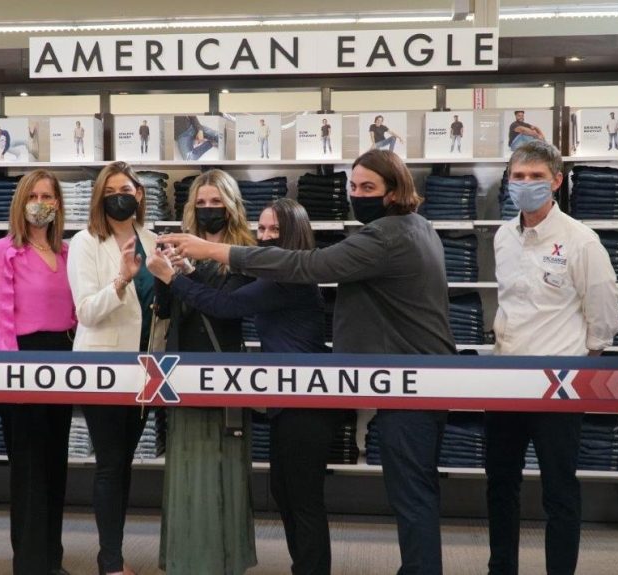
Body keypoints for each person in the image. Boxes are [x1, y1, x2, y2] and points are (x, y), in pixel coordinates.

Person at [160, 150, 455, 575]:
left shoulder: (387, 236)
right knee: (408, 491)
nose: (356, 195)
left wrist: (215, 251)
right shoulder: (414, 228)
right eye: (352, 186)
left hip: (407, 382)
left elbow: (309, 265)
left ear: (396, 191)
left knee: (408, 494)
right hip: (404, 380)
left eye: (367, 187)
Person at [147, 197, 343, 575]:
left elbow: (225, 305)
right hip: (290, 401)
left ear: (294, 233)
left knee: (301, 500)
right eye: (263, 229)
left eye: (275, 230)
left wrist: (172, 278)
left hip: (306, 404)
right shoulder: (276, 276)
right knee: (287, 494)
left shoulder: (287, 277)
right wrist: (188, 270)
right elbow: (226, 292)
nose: (266, 236)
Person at [486, 140, 618, 575]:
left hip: (557, 383)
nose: (525, 185)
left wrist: (584, 361)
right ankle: (500, 567)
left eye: (536, 177)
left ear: (557, 182)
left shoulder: (581, 241)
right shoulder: (503, 236)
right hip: (505, 378)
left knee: (558, 490)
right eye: (518, 177)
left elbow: (602, 313)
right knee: (500, 485)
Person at [154, 169, 257, 575]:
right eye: (202, 202)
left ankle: (226, 558)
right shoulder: (179, 244)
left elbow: (226, 307)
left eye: (217, 202)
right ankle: (186, 555)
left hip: (225, 368)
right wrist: (163, 273)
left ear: (230, 205)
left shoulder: (244, 250)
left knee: (226, 458)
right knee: (187, 461)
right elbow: (165, 307)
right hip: (182, 365)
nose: (209, 209)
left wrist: (184, 276)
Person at [0, 169, 76, 575]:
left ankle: (50, 558)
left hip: (62, 359)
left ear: (58, 203)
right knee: (28, 466)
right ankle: (30, 563)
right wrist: (11, 373)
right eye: (34, 195)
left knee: (55, 463)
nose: (42, 202)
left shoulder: (68, 251)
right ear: (20, 203)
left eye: (49, 196)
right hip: (22, 361)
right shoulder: (4, 251)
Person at [67, 161, 158, 575]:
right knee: (109, 463)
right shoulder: (86, 242)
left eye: (128, 188)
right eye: (111, 191)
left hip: (146, 370)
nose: (121, 196)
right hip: (104, 367)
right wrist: (121, 279)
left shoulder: (153, 239)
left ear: (139, 193)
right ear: (100, 198)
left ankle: (114, 555)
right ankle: (110, 561)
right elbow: (86, 312)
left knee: (124, 462)